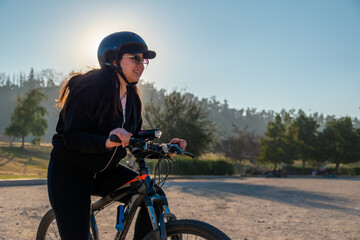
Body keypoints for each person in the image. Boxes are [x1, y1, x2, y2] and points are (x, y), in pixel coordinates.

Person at [47, 31, 187, 240]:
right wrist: (106, 141)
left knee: (152, 193)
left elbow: (133, 139)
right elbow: (72, 137)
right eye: (135, 58)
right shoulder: (87, 87)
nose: (141, 64)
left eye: (144, 60)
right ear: (113, 60)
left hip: (103, 173)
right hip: (70, 174)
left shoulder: (132, 98)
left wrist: (164, 149)